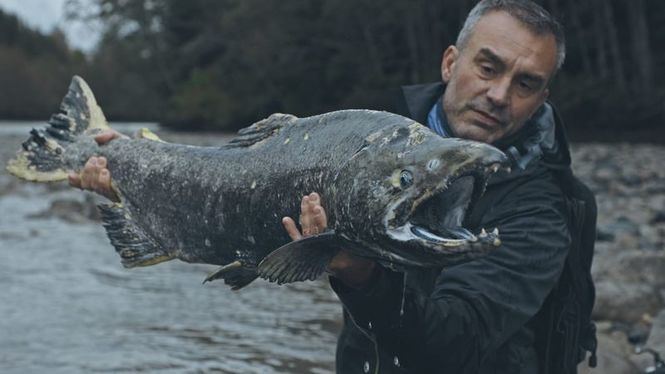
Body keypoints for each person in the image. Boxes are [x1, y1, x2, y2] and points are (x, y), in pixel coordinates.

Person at [71, 1, 590, 372]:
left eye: (525, 84)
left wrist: (357, 271)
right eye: (488, 66)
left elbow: (456, 348)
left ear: (543, 96)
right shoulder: (367, 134)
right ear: (452, 62)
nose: (499, 95)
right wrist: (129, 180)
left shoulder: (544, 209)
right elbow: (222, 182)